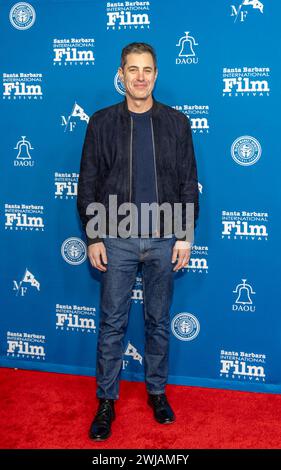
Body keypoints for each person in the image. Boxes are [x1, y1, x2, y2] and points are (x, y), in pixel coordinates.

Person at [77, 42, 199, 441]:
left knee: (158, 322)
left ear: (156, 74)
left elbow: (187, 184)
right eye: (133, 69)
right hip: (116, 238)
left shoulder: (178, 123)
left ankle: (157, 392)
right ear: (122, 74)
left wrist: (184, 234)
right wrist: (94, 235)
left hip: (164, 238)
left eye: (147, 69)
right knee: (112, 323)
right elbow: (89, 183)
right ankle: (107, 401)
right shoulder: (101, 123)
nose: (141, 77)